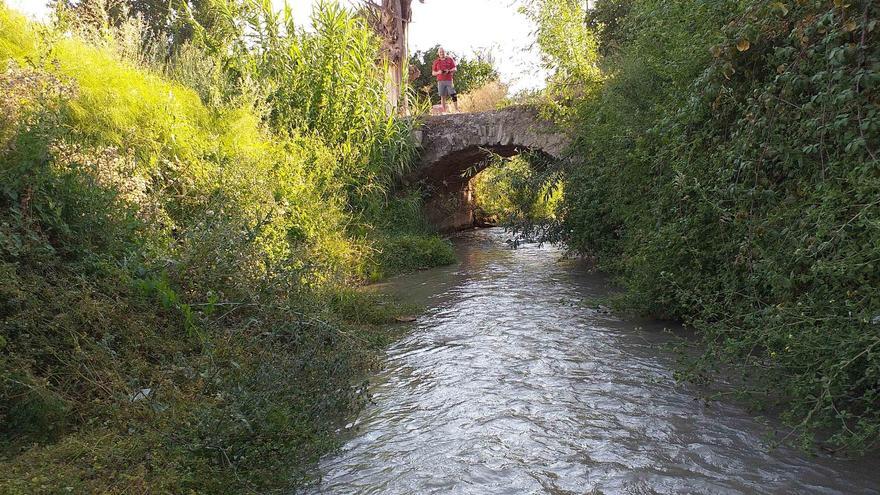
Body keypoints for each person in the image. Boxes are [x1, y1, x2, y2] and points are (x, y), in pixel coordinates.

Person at [432, 47, 458, 113]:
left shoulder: (450, 59)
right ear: (438, 53)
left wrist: (449, 71)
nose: (441, 53)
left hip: (449, 80)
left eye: (442, 52)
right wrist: (438, 72)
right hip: (440, 81)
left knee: (453, 94)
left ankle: (456, 110)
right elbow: (433, 73)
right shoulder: (436, 62)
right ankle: (444, 112)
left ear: (445, 52)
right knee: (442, 96)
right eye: (440, 52)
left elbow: (455, 69)